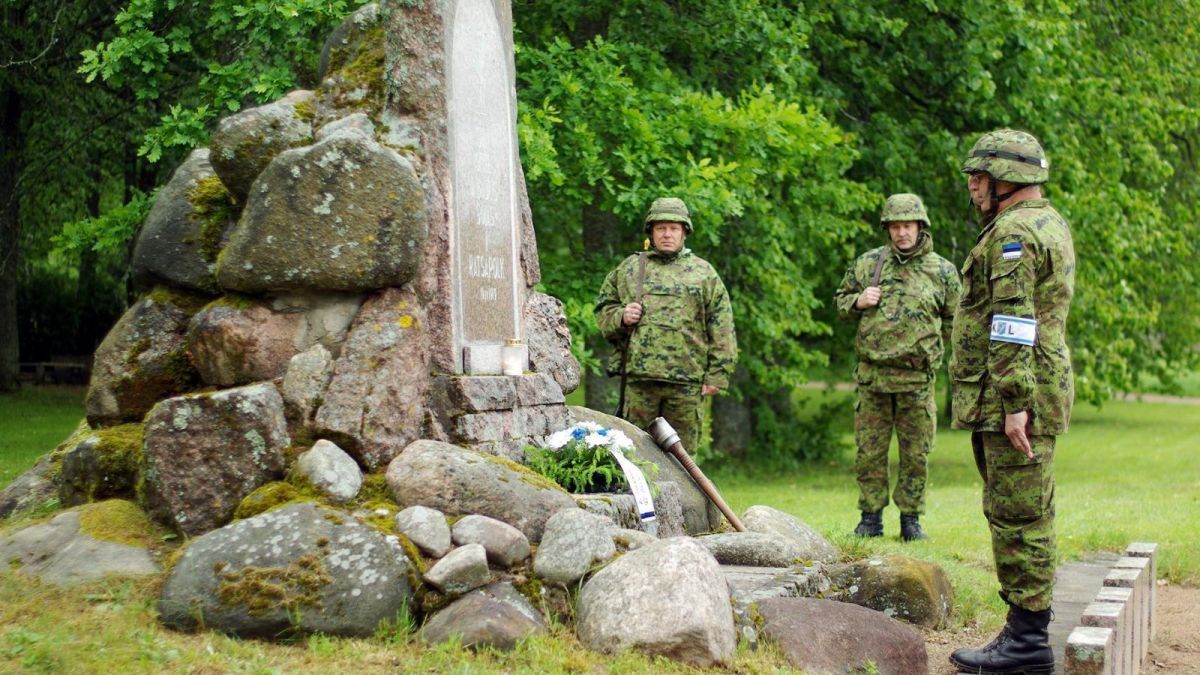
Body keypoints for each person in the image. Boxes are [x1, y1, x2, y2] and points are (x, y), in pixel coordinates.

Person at [949, 129, 1075, 674]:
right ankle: (1024, 632)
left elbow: (1014, 323)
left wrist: (1014, 400)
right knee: (1024, 510)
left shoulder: (1015, 236)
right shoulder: (1046, 221)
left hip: (1016, 397)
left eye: (979, 177)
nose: (973, 187)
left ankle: (1027, 644)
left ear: (1006, 180)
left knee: (1018, 516)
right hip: (1026, 390)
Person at [834, 193, 961, 541]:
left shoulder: (942, 271)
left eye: (908, 225)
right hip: (873, 378)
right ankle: (870, 518)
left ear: (920, 227)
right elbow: (841, 301)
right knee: (869, 451)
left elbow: (956, 321)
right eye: (895, 226)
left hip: (917, 380)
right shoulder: (868, 264)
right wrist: (858, 301)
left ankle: (911, 519)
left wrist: (934, 351)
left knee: (916, 453)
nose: (902, 232)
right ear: (887, 229)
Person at [594, 197, 737, 451]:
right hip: (639, 381)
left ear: (684, 233)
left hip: (686, 382)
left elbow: (722, 323)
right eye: (661, 228)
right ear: (651, 232)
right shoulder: (630, 269)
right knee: (634, 452)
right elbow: (603, 310)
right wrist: (622, 316)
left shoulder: (703, 273)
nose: (667, 234)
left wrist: (718, 374)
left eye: (674, 228)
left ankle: (683, 494)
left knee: (683, 459)